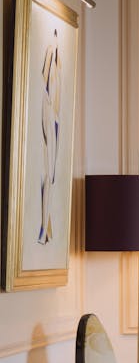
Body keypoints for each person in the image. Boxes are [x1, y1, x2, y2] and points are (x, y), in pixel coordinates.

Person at [38, 28, 61, 245]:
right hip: (50, 116)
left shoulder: (57, 69)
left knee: (51, 176)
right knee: (48, 175)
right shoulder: (51, 59)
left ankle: (46, 227)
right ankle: (45, 227)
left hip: (53, 119)